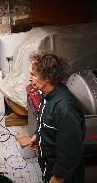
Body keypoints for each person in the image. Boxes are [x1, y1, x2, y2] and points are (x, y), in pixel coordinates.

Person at [28, 52, 85, 183]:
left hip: (65, 175)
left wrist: (58, 177)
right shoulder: (46, 95)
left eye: (33, 74)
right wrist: (39, 135)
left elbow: (71, 148)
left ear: (48, 77)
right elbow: (48, 122)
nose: (29, 78)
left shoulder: (65, 108)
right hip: (49, 166)